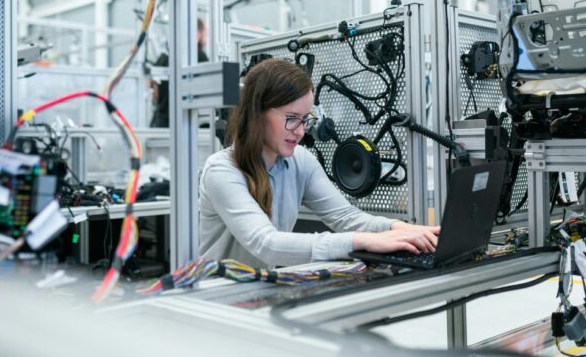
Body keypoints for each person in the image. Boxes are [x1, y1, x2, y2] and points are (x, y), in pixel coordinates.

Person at [199, 58, 440, 268]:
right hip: (218, 300)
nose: (301, 131)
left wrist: (401, 229)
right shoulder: (222, 171)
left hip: (260, 291)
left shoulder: (299, 161)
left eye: (305, 119)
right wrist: (361, 241)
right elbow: (267, 243)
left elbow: (346, 217)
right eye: (292, 119)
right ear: (257, 113)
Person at [149, 18, 209, 127]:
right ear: (198, 32)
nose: (206, 38)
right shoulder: (199, 55)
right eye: (205, 33)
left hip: (159, 123)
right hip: (184, 123)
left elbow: (153, 90)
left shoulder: (164, 56)